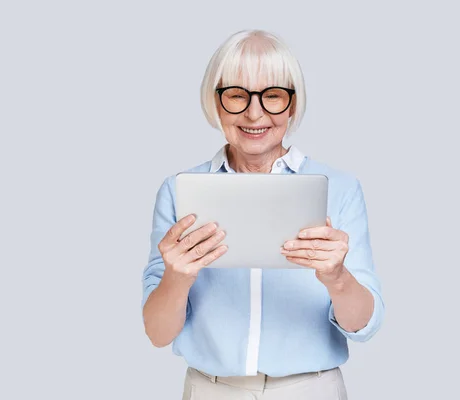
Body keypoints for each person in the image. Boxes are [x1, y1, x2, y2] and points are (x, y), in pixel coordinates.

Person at [141, 29, 385, 400]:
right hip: (210, 390)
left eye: (272, 96)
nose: (255, 114)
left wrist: (336, 276)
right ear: (216, 102)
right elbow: (157, 333)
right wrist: (177, 276)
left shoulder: (340, 188)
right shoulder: (178, 191)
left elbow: (364, 326)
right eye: (237, 96)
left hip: (312, 389)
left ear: (292, 104)